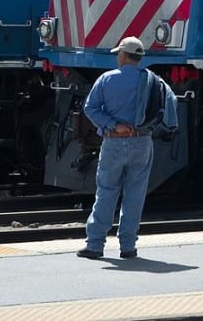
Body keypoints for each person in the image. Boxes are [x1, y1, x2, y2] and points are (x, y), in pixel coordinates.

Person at [77, 36, 178, 260]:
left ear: (122, 55)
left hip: (113, 141)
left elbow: (90, 108)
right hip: (142, 142)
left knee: (107, 191)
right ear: (139, 57)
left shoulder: (106, 79)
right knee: (135, 194)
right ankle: (128, 246)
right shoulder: (154, 80)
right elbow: (169, 105)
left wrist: (114, 125)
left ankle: (95, 245)